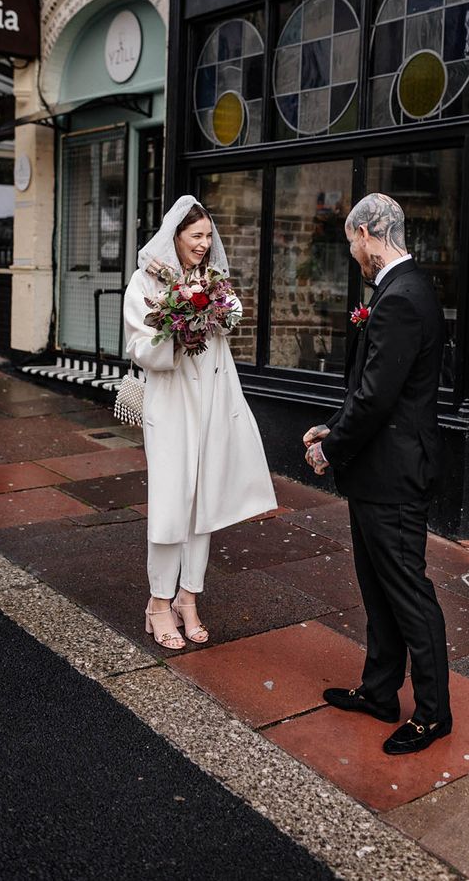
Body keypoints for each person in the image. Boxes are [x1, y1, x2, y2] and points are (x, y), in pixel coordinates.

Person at [303, 193, 451, 755]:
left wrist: (331, 449)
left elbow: (376, 399)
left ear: (367, 232)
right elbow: (369, 389)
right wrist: (331, 429)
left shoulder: (400, 297)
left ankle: (434, 714)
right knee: (379, 588)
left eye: (350, 243)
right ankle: (380, 691)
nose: (352, 254)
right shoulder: (400, 290)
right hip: (380, 471)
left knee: (408, 592)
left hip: (394, 475)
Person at [124, 195, 277, 650]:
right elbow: (138, 345)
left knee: (205, 501)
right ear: (177, 236)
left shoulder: (210, 280)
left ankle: (188, 597)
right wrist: (179, 330)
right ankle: (157, 603)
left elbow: (230, 321)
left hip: (211, 400)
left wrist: (216, 310)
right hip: (171, 405)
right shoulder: (144, 281)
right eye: (197, 236)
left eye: (209, 236)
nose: (205, 245)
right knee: (173, 501)